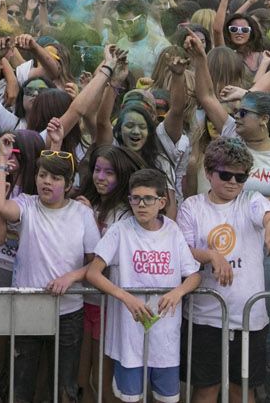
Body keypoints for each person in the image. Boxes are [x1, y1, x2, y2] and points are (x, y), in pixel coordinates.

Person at [176, 138, 270, 403]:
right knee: (205, 389)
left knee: (243, 390)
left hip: (249, 318)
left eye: (241, 177)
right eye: (226, 175)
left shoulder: (251, 199)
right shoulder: (192, 206)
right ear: (208, 173)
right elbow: (182, 249)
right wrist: (211, 255)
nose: (233, 183)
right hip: (205, 318)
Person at [0, 138, 95, 403]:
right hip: (28, 307)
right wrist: (2, 158)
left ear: (68, 185)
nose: (47, 181)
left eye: (56, 178)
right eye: (42, 174)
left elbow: (96, 263)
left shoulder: (82, 214)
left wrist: (72, 276)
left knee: (65, 386)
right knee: (21, 384)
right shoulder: (27, 204)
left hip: (69, 311)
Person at [85, 168, 202, 403]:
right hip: (129, 335)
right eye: (135, 198)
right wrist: (126, 297)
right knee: (129, 397)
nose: (141, 204)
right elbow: (93, 273)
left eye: (147, 198)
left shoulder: (173, 230)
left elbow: (194, 275)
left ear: (162, 201)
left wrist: (178, 291)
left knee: (167, 398)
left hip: (165, 336)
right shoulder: (120, 230)